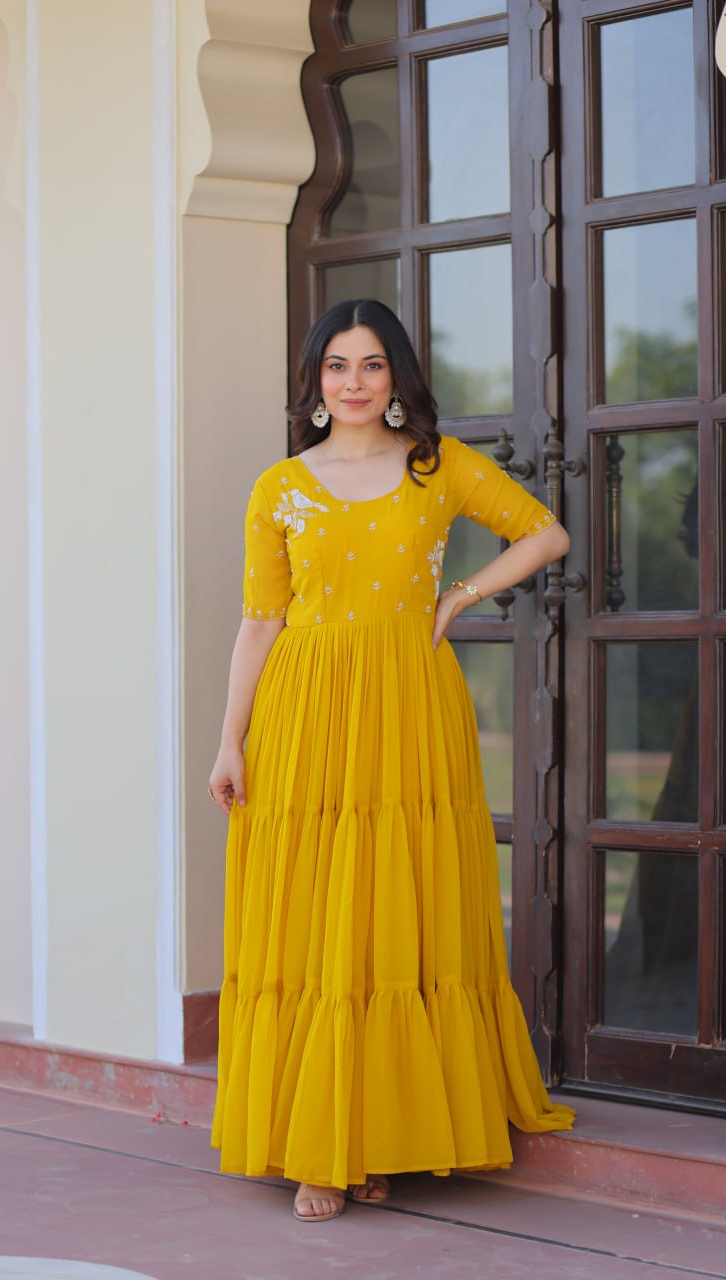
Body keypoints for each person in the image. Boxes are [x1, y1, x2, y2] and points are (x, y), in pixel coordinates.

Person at [208, 298, 575, 1222]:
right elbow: (259, 622)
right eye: (337, 366)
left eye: (372, 365)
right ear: (314, 379)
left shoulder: (436, 467)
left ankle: (382, 1136)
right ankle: (323, 1151)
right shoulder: (279, 486)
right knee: (319, 918)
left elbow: (544, 532)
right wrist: (228, 740)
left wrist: (461, 595)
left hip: (409, 708)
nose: (355, 383)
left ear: (397, 376)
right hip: (302, 711)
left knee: (395, 913)